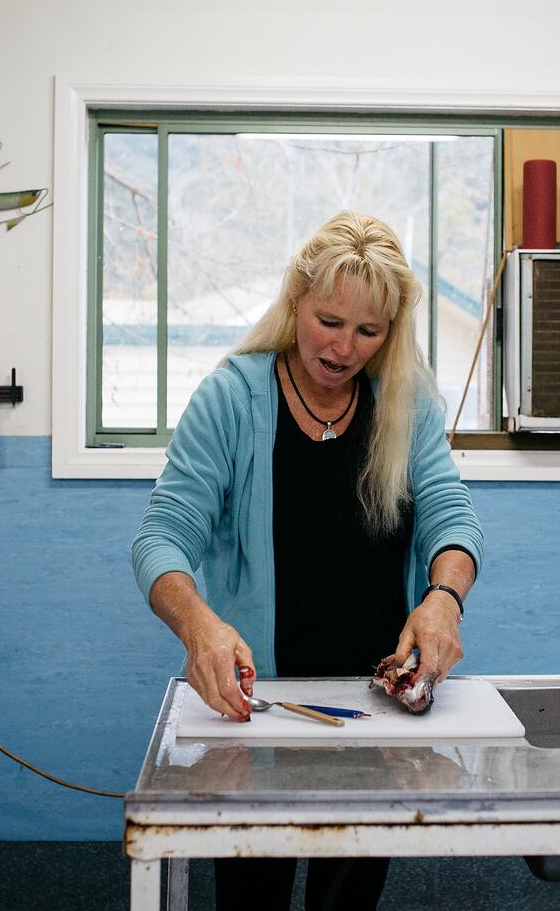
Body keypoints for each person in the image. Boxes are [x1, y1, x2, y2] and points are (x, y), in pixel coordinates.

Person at [132, 210, 485, 911]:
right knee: (253, 898)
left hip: (375, 713)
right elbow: (162, 538)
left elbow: (452, 517)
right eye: (329, 320)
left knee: (346, 902)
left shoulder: (404, 404)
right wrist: (199, 626)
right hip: (261, 712)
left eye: (368, 331)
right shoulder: (231, 398)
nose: (343, 347)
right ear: (295, 300)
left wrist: (444, 599)